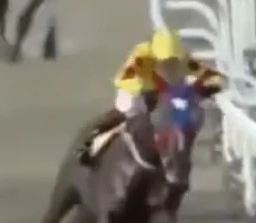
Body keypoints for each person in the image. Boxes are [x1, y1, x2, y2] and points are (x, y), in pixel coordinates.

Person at [78, 28, 225, 163]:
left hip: (162, 94)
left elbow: (213, 77)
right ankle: (94, 142)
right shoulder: (141, 57)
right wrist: (143, 90)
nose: (169, 67)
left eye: (173, 63)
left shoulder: (183, 60)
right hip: (137, 93)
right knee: (128, 110)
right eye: (164, 63)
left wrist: (208, 86)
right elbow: (124, 80)